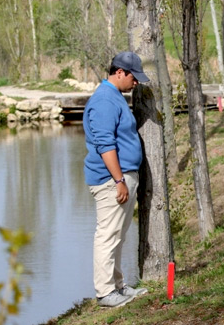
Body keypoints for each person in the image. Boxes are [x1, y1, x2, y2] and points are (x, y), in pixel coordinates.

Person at [83, 51, 150, 307]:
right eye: (134, 78)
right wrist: (119, 180)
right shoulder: (105, 101)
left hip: (120, 177)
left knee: (117, 236)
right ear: (119, 72)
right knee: (107, 235)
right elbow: (105, 145)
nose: (136, 83)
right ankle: (105, 293)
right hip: (111, 180)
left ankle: (117, 287)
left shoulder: (114, 97)